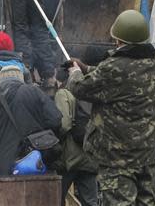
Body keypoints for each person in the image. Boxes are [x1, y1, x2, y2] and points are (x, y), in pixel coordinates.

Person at [67, 9, 155, 205]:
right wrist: (87, 68)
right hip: (146, 154)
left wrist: (75, 72)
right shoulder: (154, 65)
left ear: (119, 40)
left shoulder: (113, 67)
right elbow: (121, 80)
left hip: (118, 158)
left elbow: (79, 88)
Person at [0, 66, 62, 176]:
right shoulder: (33, 92)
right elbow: (55, 119)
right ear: (20, 78)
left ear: (1, 79)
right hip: (36, 165)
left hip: (2, 171)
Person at [54, 69, 97, 206]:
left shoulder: (63, 93)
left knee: (56, 198)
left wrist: (55, 138)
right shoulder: (90, 95)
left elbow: (65, 125)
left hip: (70, 159)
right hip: (90, 157)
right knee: (90, 202)